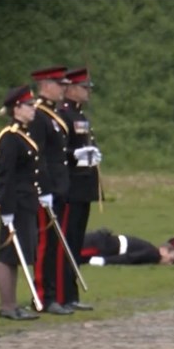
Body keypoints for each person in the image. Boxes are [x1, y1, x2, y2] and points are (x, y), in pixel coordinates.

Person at [0, 85, 42, 320]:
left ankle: (12, 305)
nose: (33, 109)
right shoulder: (10, 138)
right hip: (15, 203)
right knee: (8, 255)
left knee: (18, 253)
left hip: (26, 202)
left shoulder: (24, 135)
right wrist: (6, 207)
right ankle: (7, 305)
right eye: (29, 106)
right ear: (17, 108)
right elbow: (7, 176)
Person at [29, 66, 74, 315]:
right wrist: (43, 189)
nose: (63, 88)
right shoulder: (38, 116)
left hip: (60, 186)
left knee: (56, 244)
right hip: (49, 189)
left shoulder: (52, 115)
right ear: (46, 85)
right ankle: (43, 296)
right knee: (45, 244)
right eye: (59, 84)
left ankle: (55, 293)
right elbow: (38, 156)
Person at [57, 67, 101, 310]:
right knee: (67, 241)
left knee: (75, 242)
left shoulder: (79, 115)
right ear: (71, 89)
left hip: (83, 186)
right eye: (84, 87)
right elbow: (59, 152)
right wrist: (76, 155)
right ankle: (63, 294)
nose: (88, 92)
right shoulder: (64, 115)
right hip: (71, 187)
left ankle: (71, 294)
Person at [79, 229, 174, 266]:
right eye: (171, 260)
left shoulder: (149, 248)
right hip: (104, 246)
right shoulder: (153, 254)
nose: (169, 264)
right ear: (164, 251)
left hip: (104, 243)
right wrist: (105, 261)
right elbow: (130, 258)